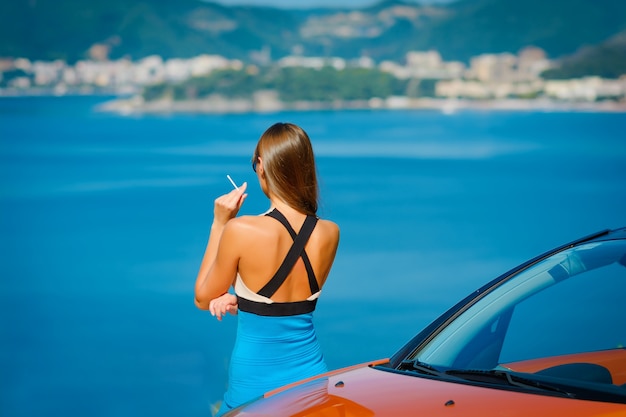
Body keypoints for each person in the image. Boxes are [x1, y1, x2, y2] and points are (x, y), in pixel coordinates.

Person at [194, 122, 340, 416]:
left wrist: (220, 223)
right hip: (311, 380)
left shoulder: (241, 229)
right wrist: (242, 301)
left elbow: (202, 298)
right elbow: (287, 302)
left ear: (261, 166)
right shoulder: (329, 232)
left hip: (254, 385)